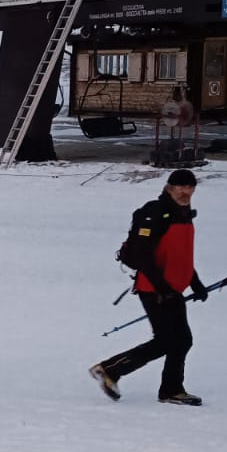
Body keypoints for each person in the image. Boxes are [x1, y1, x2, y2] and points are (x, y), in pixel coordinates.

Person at [90, 168, 208, 406]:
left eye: (190, 187)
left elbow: (179, 256)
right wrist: (164, 290)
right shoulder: (156, 213)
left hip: (172, 290)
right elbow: (144, 257)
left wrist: (195, 283)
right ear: (169, 188)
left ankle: (171, 390)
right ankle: (110, 369)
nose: (185, 192)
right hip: (154, 289)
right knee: (167, 340)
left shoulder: (184, 214)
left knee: (181, 340)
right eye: (180, 187)